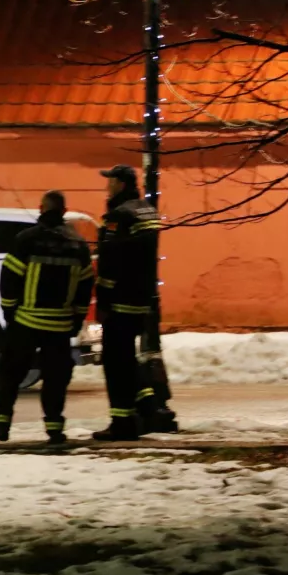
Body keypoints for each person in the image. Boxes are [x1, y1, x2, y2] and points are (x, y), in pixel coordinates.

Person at [0, 191, 93, 446]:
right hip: (59, 325)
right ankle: (54, 429)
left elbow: (10, 279)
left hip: (26, 322)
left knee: (10, 375)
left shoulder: (27, 239)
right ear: (64, 212)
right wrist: (76, 319)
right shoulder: (78, 244)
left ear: (41, 208)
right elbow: (85, 287)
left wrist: (10, 312)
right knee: (55, 379)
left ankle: (0, 426)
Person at [94, 165, 178, 441]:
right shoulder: (147, 211)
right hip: (142, 297)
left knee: (115, 362)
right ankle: (149, 408)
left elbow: (110, 260)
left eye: (110, 181)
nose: (107, 187)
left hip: (120, 298)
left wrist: (103, 299)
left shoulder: (119, 215)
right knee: (130, 358)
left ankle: (122, 421)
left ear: (120, 184)